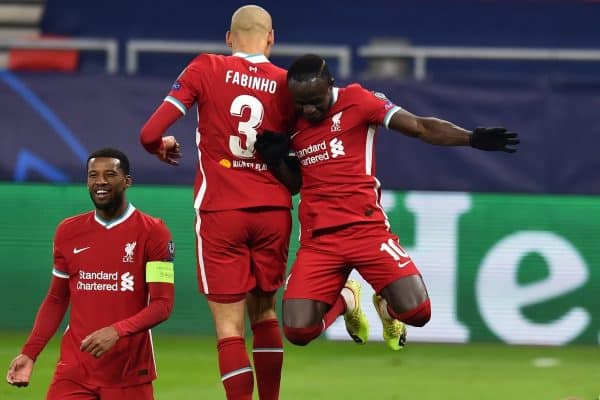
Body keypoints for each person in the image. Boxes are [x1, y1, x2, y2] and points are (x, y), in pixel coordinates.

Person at [255, 54, 520, 351]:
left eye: (315, 100)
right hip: (320, 240)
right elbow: (295, 185)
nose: (309, 109)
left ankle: (387, 308)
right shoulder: (291, 122)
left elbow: (420, 126)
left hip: (367, 229)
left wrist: (471, 138)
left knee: (418, 313)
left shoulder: (359, 101)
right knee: (297, 331)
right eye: (301, 102)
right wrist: (276, 160)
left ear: (331, 84)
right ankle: (348, 299)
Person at [139, 5, 296, 400]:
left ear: (229, 39)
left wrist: (159, 147)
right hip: (273, 211)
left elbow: (148, 133)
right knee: (265, 314)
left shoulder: (206, 68)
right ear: (271, 38)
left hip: (221, 212)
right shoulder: (286, 83)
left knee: (230, 330)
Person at [6, 147, 175, 399]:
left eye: (110, 174)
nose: (100, 182)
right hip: (75, 371)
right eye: (93, 175)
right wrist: (30, 352)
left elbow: (162, 304)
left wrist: (117, 331)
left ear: (127, 181)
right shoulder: (67, 231)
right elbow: (56, 299)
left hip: (128, 374)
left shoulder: (154, 232)